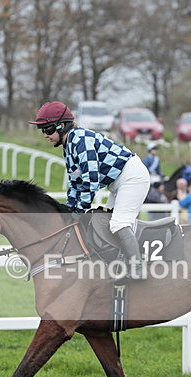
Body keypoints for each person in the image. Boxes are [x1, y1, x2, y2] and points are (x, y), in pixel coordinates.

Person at [29, 100, 150, 280]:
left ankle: (138, 268)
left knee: (118, 224)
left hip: (132, 177)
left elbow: (91, 179)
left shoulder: (81, 140)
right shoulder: (69, 145)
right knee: (106, 223)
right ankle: (120, 264)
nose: (45, 135)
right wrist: (70, 208)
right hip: (117, 182)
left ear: (61, 126)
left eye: (47, 129)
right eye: (42, 131)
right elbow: (75, 181)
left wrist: (80, 208)